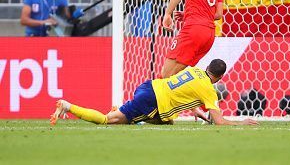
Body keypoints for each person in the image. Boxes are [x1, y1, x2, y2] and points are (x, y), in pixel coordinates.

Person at [51, 59, 259, 126]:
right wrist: (242, 123)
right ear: (220, 77)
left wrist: (196, 110)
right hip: (152, 101)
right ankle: (67, 105)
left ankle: (129, 112)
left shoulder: (195, 71)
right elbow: (220, 122)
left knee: (168, 121)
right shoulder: (208, 89)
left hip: (150, 86)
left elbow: (184, 91)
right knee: (108, 121)